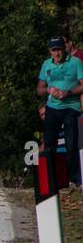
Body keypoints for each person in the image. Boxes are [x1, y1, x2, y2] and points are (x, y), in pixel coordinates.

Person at [38, 35, 83, 184]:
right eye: (54, 50)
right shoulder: (46, 65)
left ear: (65, 49)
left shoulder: (76, 63)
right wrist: (49, 90)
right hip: (53, 107)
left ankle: (74, 179)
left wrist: (68, 92)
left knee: (71, 144)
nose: (57, 53)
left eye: (60, 50)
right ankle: (52, 179)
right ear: (50, 51)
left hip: (71, 107)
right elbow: (40, 89)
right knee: (50, 143)